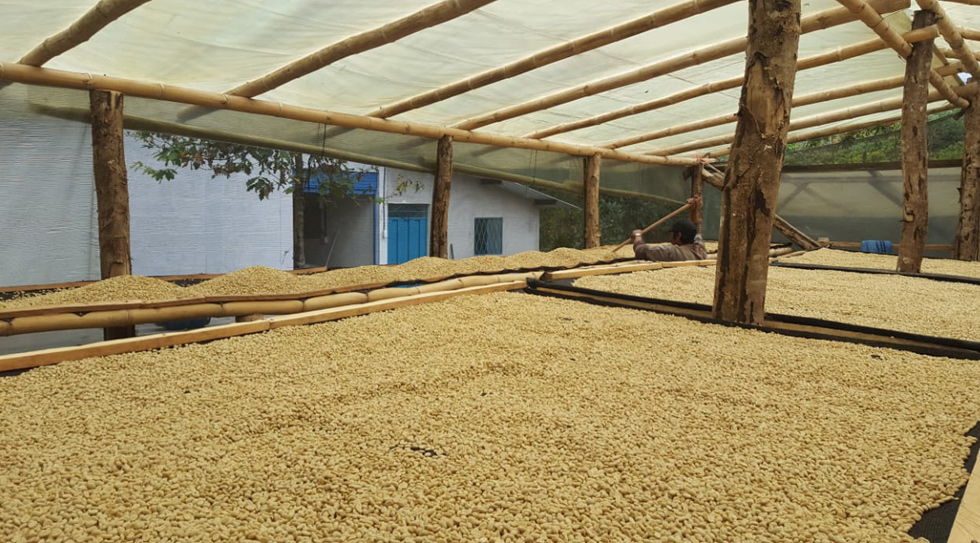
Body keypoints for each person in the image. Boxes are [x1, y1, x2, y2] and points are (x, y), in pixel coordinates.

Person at [632, 218, 707, 262]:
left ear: (678, 235)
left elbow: (641, 250)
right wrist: (695, 207)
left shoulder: (672, 252)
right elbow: (696, 232)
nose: (669, 237)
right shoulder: (700, 249)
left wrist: (637, 235)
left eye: (671, 233)